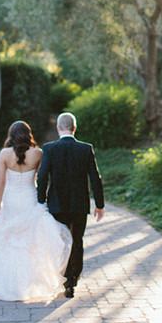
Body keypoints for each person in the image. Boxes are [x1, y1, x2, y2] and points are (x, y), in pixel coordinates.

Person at [0, 120, 72, 302]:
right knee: (30, 241)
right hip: (30, 198)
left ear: (11, 135)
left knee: (10, 240)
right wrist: (42, 201)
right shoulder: (38, 153)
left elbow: (1, 182)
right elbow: (42, 179)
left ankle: (8, 285)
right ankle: (29, 284)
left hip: (12, 200)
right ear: (28, 134)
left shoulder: (4, 154)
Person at [36, 112, 104, 299]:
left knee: (60, 241)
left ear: (58, 128)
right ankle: (72, 279)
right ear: (74, 128)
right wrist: (99, 204)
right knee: (77, 240)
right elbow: (95, 178)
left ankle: (64, 276)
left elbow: (42, 176)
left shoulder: (49, 148)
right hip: (80, 204)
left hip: (56, 204)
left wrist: (40, 201)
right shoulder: (86, 149)